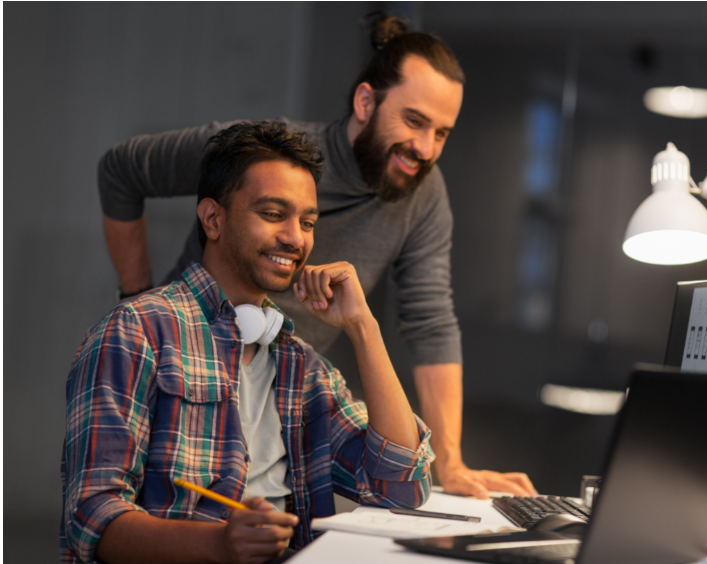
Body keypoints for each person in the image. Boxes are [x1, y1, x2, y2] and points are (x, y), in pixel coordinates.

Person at [98, 13, 536, 499]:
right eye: (414, 121)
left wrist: (450, 464)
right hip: (188, 373)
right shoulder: (260, 158)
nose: (426, 148)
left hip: (284, 388)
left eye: (442, 133)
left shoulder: (423, 194)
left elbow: (431, 324)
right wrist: (136, 300)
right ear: (366, 101)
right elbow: (121, 171)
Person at [61, 121, 433, 564]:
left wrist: (363, 327)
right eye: (273, 214)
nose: (296, 238)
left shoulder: (301, 367)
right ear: (214, 219)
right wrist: (219, 544)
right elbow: (92, 519)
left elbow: (402, 488)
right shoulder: (135, 333)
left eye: (307, 221)